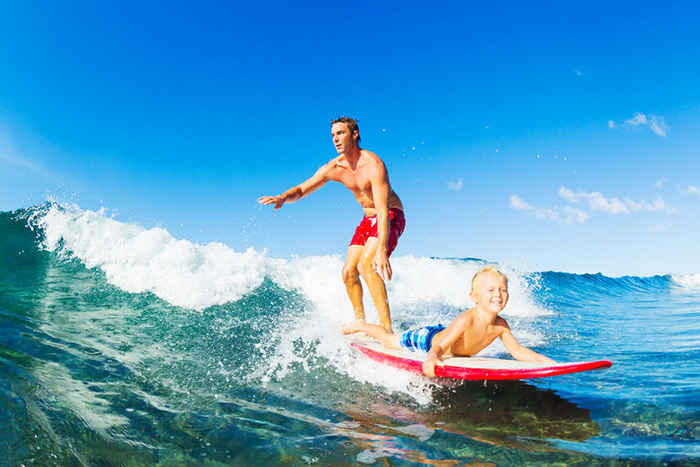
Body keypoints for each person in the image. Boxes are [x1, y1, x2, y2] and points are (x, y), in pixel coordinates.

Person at [259, 116, 404, 332]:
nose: (335, 139)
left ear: (354, 134)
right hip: (368, 219)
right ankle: (360, 321)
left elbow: (382, 211)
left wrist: (381, 250)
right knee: (348, 272)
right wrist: (283, 197)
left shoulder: (374, 165)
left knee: (366, 264)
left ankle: (387, 329)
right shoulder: (334, 167)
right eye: (333, 135)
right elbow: (301, 190)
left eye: (341, 133)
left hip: (390, 215)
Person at [342, 265, 555, 377]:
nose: (497, 294)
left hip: (444, 333)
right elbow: (440, 345)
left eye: (502, 290)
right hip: (427, 340)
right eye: (490, 290)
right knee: (388, 341)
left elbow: (518, 351)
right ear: (474, 297)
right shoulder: (467, 319)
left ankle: (367, 327)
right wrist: (431, 359)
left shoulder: (501, 325)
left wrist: (550, 364)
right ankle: (361, 325)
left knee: (391, 339)